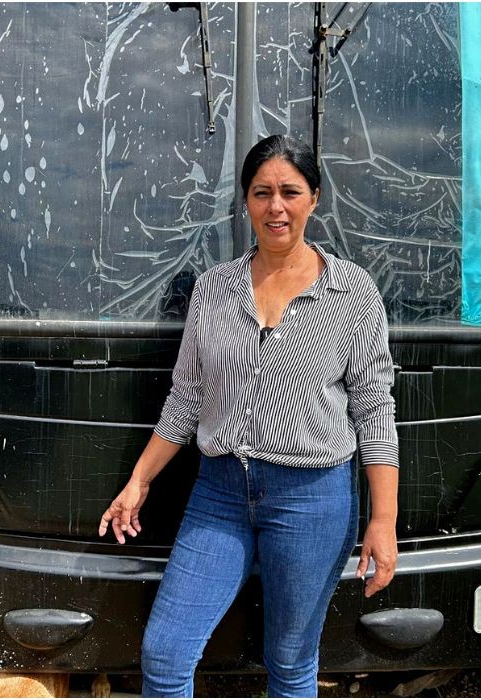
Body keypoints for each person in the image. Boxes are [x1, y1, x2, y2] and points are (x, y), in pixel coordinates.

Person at [98, 134, 399, 698]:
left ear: (314, 198)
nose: (275, 206)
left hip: (312, 497)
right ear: (245, 202)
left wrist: (382, 522)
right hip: (220, 494)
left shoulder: (353, 292)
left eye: (290, 191)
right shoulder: (214, 290)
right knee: (164, 654)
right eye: (262, 193)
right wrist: (138, 482)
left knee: (289, 661)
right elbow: (187, 395)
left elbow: (374, 408)